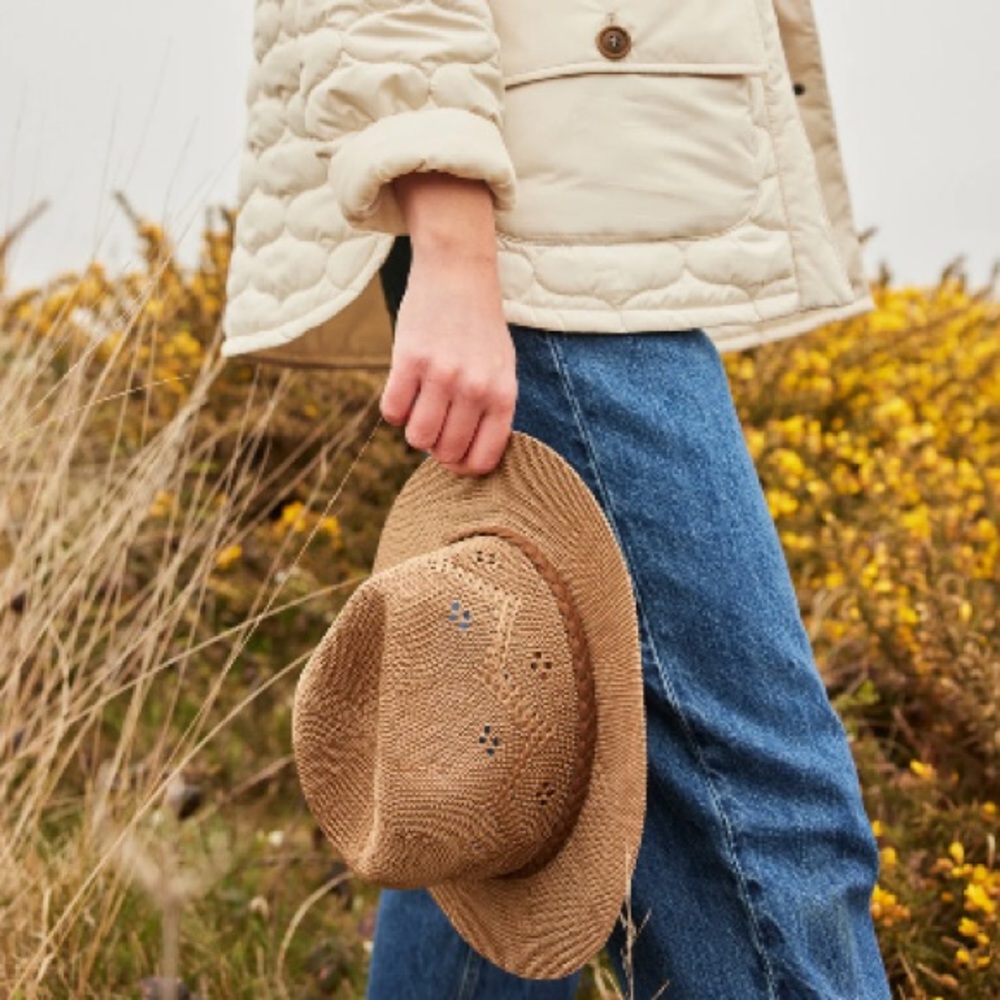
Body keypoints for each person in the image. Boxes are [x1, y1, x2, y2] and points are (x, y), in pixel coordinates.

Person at [222, 1, 892, 996]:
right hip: (535, 224)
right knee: (763, 827)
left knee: (495, 770)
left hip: (572, 201)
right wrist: (450, 230)